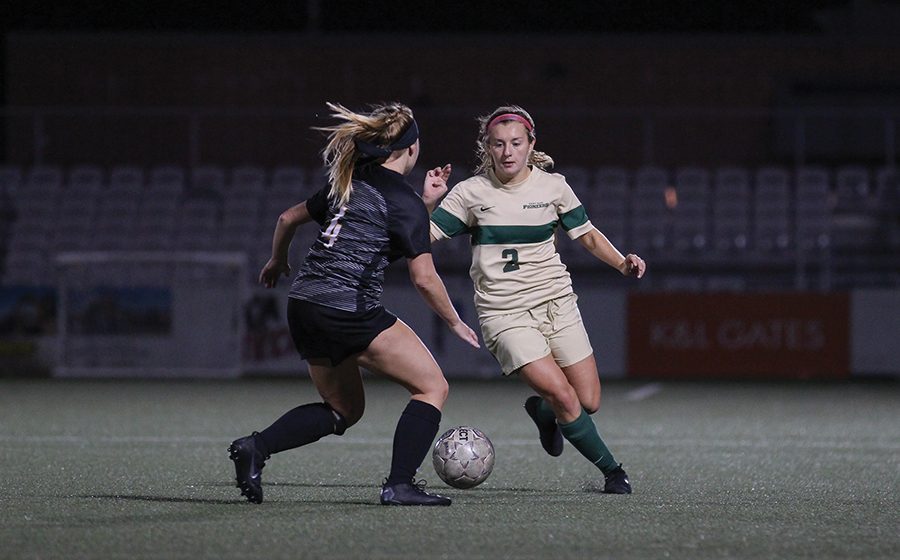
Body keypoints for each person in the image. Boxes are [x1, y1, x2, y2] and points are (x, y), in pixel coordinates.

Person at [229, 101, 480, 507]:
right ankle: (399, 485)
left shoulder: (349, 181)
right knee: (432, 387)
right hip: (346, 308)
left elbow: (286, 219)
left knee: (343, 409)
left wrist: (278, 259)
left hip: (304, 305)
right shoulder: (402, 201)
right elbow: (423, 277)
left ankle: (255, 447)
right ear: (412, 150)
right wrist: (453, 321)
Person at [425, 105, 645, 494]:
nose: (508, 152)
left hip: (557, 302)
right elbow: (421, 239)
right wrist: (427, 203)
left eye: (516, 143)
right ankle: (613, 472)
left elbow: (588, 234)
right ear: (487, 148)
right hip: (503, 314)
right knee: (563, 394)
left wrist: (622, 263)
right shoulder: (470, 193)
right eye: (498, 144)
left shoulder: (553, 187)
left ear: (531, 145)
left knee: (588, 400)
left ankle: (542, 413)